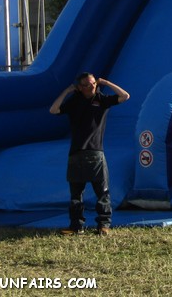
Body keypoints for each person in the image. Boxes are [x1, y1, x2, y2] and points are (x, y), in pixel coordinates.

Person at [49, 72, 130, 236]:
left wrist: (106, 83)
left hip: (95, 152)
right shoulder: (74, 102)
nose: (91, 86)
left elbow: (125, 96)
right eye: (86, 84)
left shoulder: (102, 100)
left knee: (102, 192)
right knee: (76, 194)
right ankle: (76, 226)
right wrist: (67, 91)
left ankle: (103, 224)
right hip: (76, 153)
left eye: (93, 83)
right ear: (79, 88)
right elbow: (53, 110)